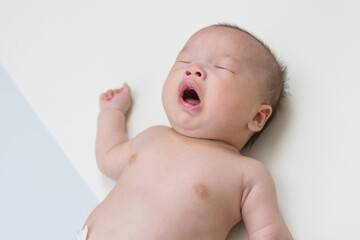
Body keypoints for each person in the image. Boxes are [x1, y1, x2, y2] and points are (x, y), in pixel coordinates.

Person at [80, 24, 293, 240]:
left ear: (257, 117)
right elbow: (108, 157)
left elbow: (269, 232)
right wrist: (112, 112)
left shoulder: (247, 174)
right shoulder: (152, 137)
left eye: (222, 67)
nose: (193, 69)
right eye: (185, 60)